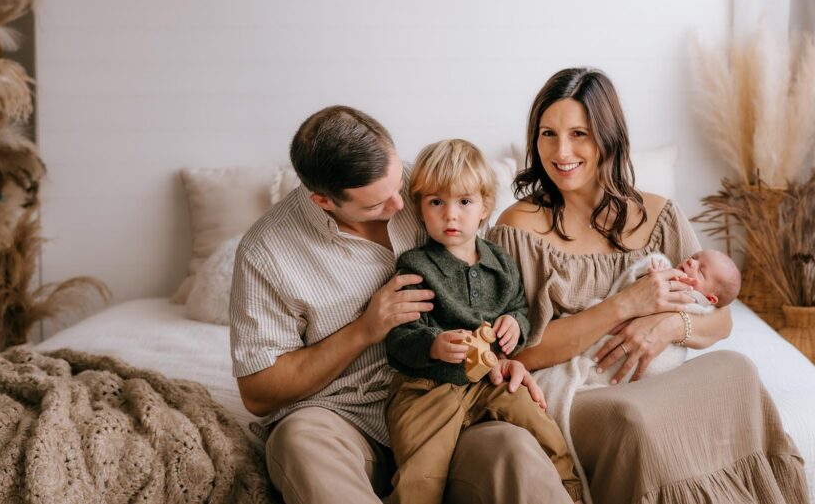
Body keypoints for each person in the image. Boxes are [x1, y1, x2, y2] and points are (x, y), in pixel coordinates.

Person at [489, 68, 809, 503]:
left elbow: (719, 318)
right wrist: (623, 306)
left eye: (579, 133)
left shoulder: (660, 216)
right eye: (548, 134)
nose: (561, 151)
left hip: (655, 377)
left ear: (609, 135)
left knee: (737, 368)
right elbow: (516, 351)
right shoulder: (516, 228)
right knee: (633, 418)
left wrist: (668, 327)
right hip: (575, 386)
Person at [229, 106, 575, 504]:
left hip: (450, 398)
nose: (399, 205)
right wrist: (364, 330)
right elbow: (257, 393)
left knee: (514, 451)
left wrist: (498, 350)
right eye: (376, 205)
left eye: (398, 185)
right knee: (298, 442)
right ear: (323, 201)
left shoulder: (428, 187)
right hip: (342, 419)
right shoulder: (266, 252)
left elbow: (488, 285)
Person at [384, 139, 584, 504]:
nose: (451, 215)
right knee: (421, 479)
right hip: (428, 389)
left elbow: (520, 309)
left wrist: (514, 325)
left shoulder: (500, 263)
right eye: (436, 202)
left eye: (464, 201)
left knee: (545, 431)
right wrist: (433, 344)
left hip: (489, 380)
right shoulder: (415, 266)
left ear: (485, 207)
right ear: (420, 209)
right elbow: (398, 339)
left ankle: (572, 494)